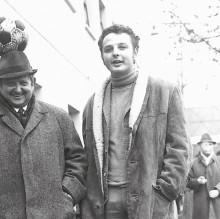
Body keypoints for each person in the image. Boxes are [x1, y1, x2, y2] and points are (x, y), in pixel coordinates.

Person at [0, 50, 88, 219]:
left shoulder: (59, 117)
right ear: (0, 85)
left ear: (33, 83)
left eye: (23, 82)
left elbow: (78, 161)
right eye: (11, 83)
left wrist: (67, 195)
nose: (18, 89)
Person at [80, 24, 191, 219]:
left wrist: (164, 194)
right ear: (102, 57)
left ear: (135, 52)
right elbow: (87, 158)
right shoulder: (92, 104)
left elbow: (180, 149)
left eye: (122, 47)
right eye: (109, 49)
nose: (115, 53)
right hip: (106, 204)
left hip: (150, 200)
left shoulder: (164, 91)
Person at [187, 133, 220, 219]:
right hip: (200, 206)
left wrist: (218, 191)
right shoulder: (193, 163)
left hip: (217, 205)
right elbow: (187, 181)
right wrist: (197, 181)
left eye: (210, 144)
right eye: (205, 144)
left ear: (213, 146)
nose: (208, 147)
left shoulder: (219, 161)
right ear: (199, 146)